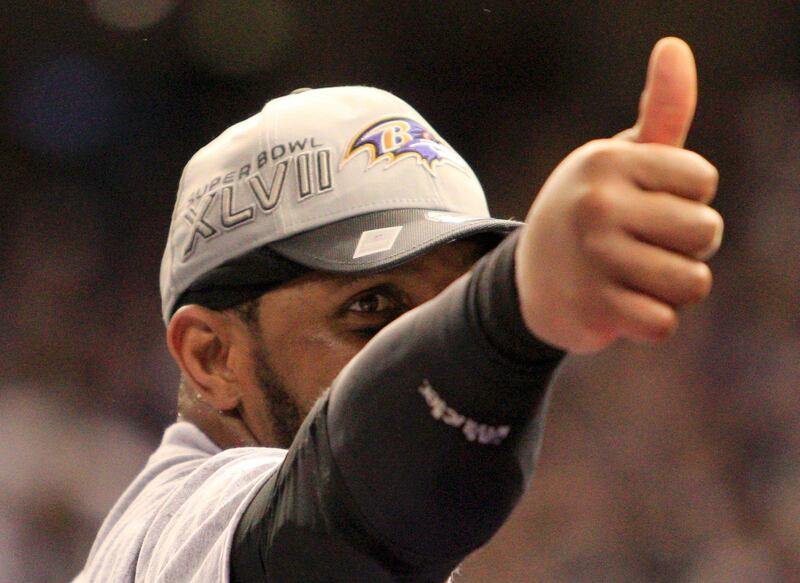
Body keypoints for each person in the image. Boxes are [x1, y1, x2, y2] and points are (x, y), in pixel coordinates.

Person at [74, 37, 723, 582]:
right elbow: (326, 516)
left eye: (449, 308)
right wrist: (506, 309)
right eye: (373, 305)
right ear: (212, 355)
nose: (418, 344)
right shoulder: (168, 535)